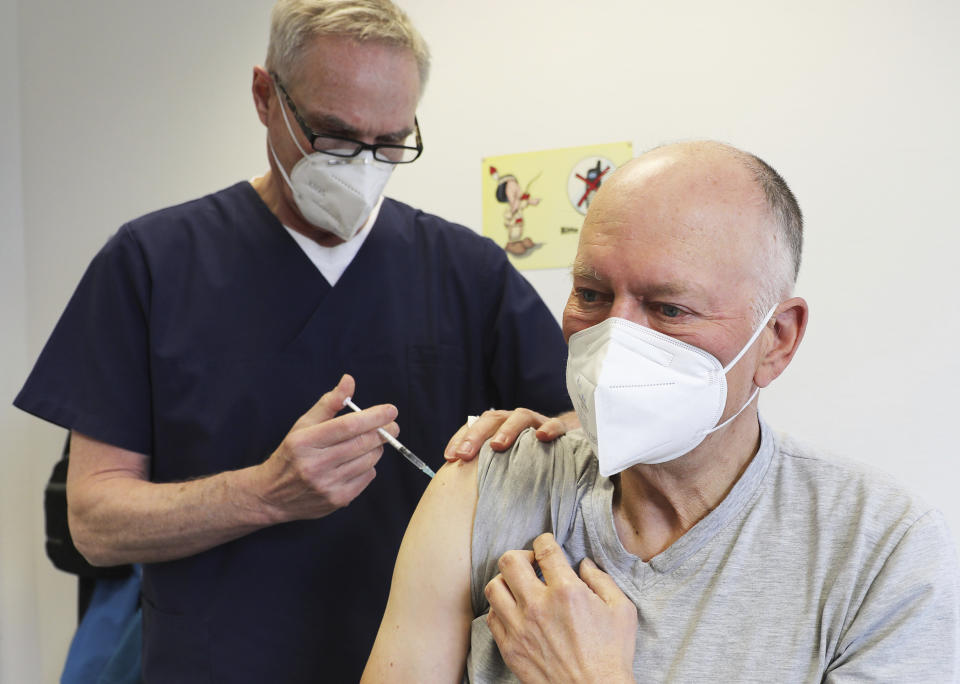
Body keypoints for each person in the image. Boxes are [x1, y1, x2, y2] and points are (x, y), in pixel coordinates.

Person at [13, 1, 575, 681]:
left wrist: (539, 441)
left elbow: (576, 440)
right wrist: (265, 493)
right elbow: (95, 525)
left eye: (390, 142)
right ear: (264, 98)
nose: (363, 167)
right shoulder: (152, 264)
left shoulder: (466, 271)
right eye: (335, 137)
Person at [362, 141, 960, 683]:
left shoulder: (881, 550)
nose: (614, 342)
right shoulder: (487, 484)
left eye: (670, 309)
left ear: (776, 338)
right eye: (592, 295)